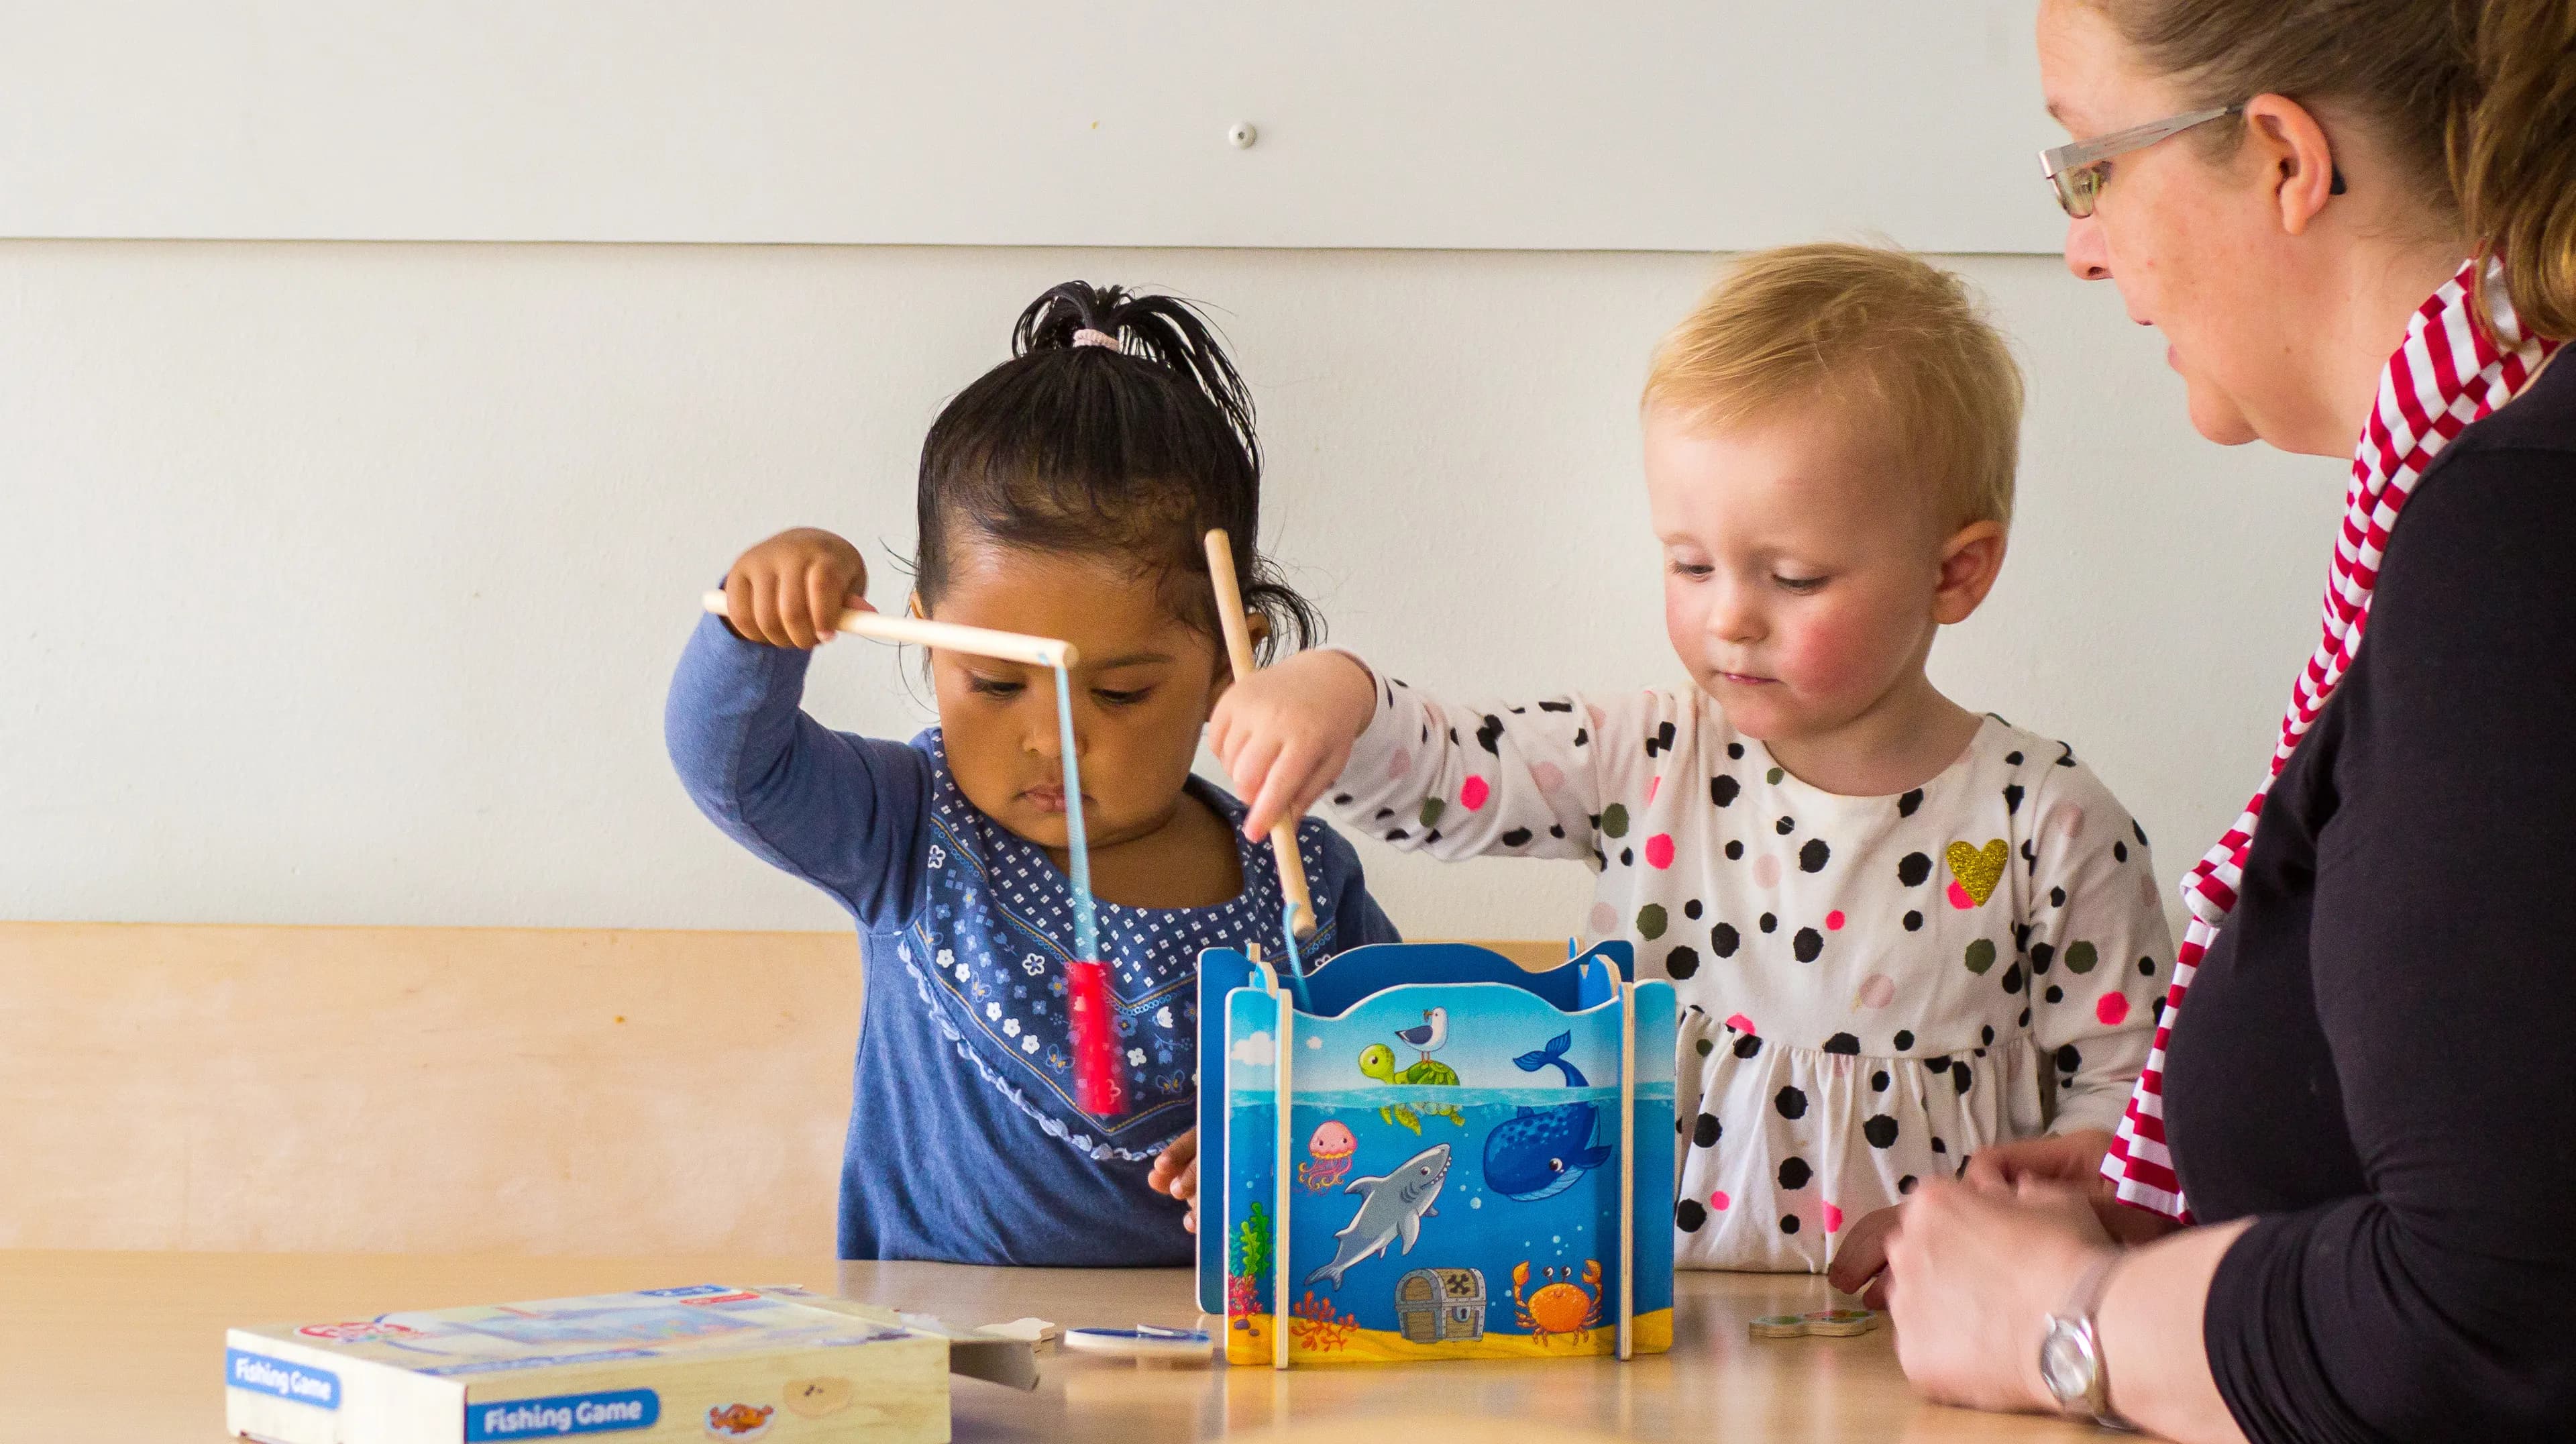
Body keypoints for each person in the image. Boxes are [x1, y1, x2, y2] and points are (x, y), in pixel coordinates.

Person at [1868, 1, 2576, 1439]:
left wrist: (2063, 1324)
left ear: (2281, 159)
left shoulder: (2521, 531)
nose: (2080, 244)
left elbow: (2496, 1326)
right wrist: (2216, 1202)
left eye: (2090, 169)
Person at [1208, 243, 2170, 1274]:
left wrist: (2061, 1210)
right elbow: (1450, 776)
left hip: (1933, 1341)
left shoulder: (2050, 822)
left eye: (1794, 578)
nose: (1730, 618)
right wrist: (1342, 696)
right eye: (1691, 564)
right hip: (1647, 1329)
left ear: (1955, 572)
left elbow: (2128, 1095)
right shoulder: (1645, 758)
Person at [666, 281, 1399, 1266]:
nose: (1053, 739)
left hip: (1219, 1363)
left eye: (1124, 694)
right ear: (923, 632)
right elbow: (731, 769)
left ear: (1232, 656)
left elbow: (1396, 1078)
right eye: (998, 684)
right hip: (946, 1361)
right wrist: (754, 626)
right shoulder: (903, 828)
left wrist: (1284, 1140)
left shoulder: (1297, 871)